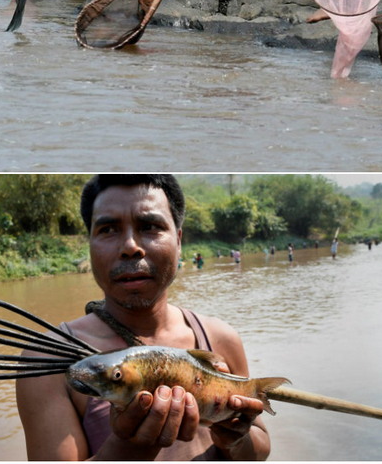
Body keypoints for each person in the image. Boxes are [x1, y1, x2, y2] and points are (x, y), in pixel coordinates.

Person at [17, 175, 271, 460]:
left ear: (178, 240)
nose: (129, 246)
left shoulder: (220, 338)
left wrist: (234, 440)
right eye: (108, 229)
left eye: (149, 226)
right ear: (89, 243)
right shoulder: (45, 361)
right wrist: (130, 448)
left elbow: (259, 448)